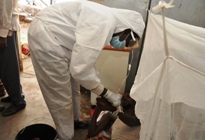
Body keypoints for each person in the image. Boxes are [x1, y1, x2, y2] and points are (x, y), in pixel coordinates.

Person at [27, 1, 145, 139]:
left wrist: (103, 91)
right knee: (59, 95)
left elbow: (86, 62)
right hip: (46, 36)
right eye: (127, 42)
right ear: (127, 31)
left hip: (61, 39)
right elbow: (81, 70)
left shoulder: (107, 20)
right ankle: (65, 136)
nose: (122, 46)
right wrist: (108, 94)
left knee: (74, 87)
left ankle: (75, 121)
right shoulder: (103, 22)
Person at [0, 0, 26, 116]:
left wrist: (3, 33)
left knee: (8, 68)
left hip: (5, 30)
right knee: (6, 66)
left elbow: (6, 7)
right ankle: (14, 95)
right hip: (5, 28)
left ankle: (18, 101)